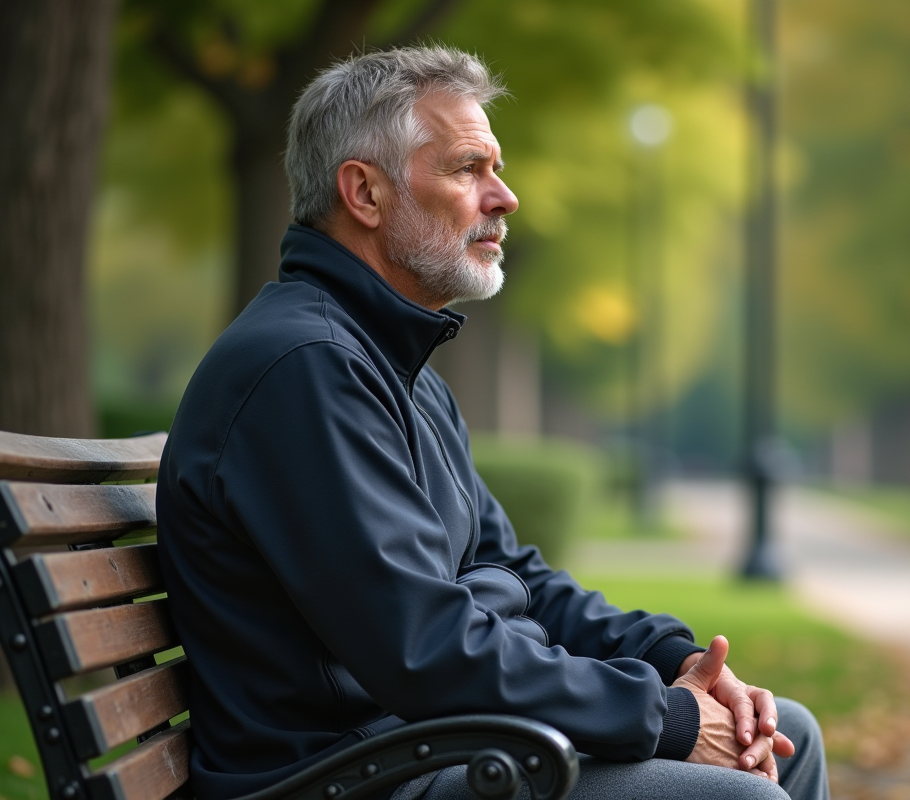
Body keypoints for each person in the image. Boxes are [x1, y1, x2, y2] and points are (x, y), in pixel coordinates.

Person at [157, 45, 830, 800]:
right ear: (365, 193)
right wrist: (665, 718)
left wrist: (677, 660)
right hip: (351, 775)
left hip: (423, 745)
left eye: (496, 169)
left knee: (788, 735)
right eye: (467, 169)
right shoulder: (306, 369)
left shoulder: (390, 366)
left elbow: (518, 578)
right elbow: (425, 650)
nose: (504, 197)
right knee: (742, 793)